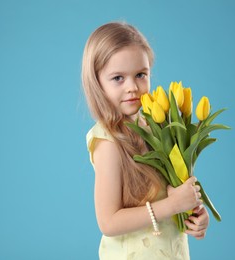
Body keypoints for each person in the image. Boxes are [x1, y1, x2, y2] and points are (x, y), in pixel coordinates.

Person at [82, 22, 210, 259]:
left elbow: (176, 189)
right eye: (118, 78)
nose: (132, 87)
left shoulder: (159, 125)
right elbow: (108, 222)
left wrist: (194, 215)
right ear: (97, 83)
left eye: (140, 75)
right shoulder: (108, 141)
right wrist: (173, 206)